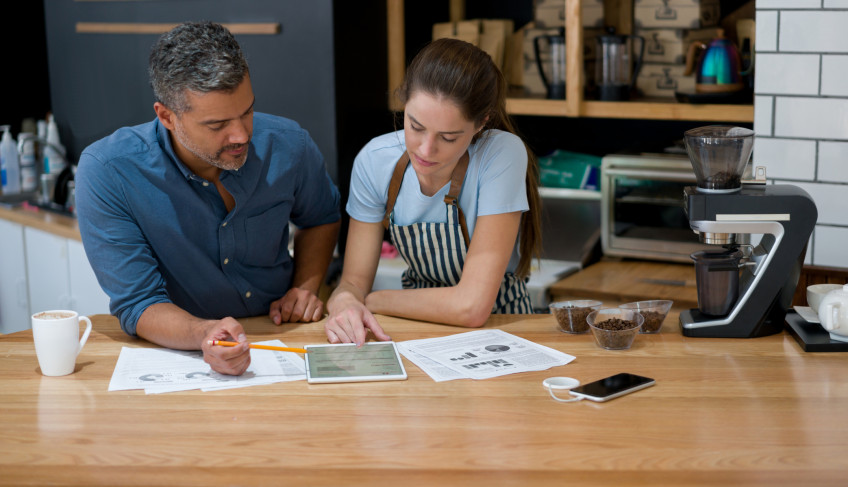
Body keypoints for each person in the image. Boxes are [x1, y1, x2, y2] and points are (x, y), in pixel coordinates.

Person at [75, 21, 341, 375]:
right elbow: (139, 303)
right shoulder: (109, 171)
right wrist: (204, 334)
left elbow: (322, 217)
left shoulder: (290, 144)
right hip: (179, 352)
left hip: (284, 337)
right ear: (167, 116)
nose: (241, 134)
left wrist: (306, 286)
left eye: (247, 111)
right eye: (217, 125)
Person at [325, 38, 542, 345]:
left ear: (482, 123)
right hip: (414, 329)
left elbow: (472, 307)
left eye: (449, 137)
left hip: (501, 327)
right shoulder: (374, 161)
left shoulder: (501, 153)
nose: (426, 150)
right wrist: (345, 301)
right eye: (415, 126)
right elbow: (351, 283)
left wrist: (370, 301)